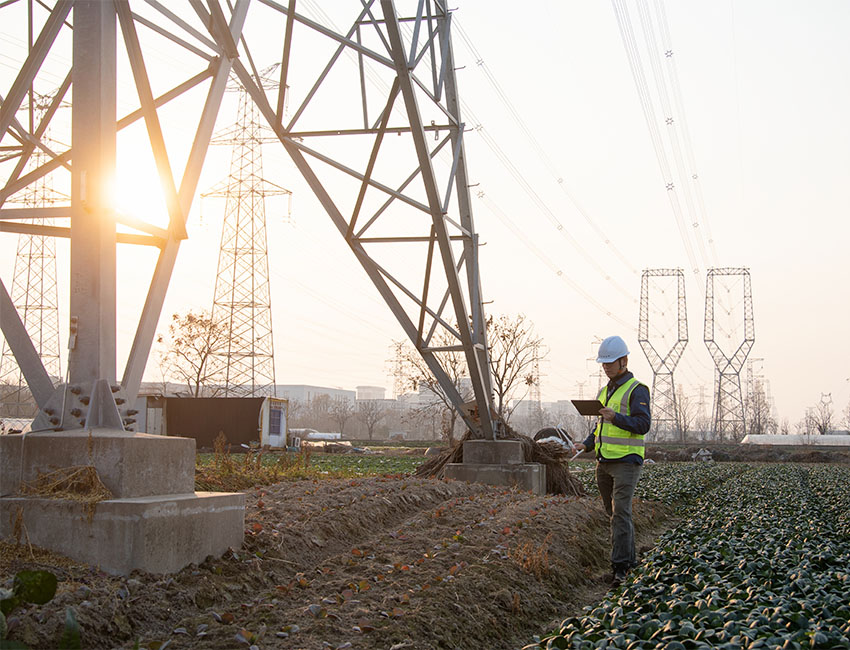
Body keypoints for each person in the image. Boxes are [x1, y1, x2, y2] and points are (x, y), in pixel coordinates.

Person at [573, 335, 651, 587]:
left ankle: (620, 569)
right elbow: (599, 428)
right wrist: (585, 444)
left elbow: (643, 424)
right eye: (603, 363)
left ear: (624, 361)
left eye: (610, 362)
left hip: (626, 462)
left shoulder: (637, 390)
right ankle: (629, 560)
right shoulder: (604, 391)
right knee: (614, 513)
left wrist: (616, 417)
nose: (606, 367)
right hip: (603, 461)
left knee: (620, 513)